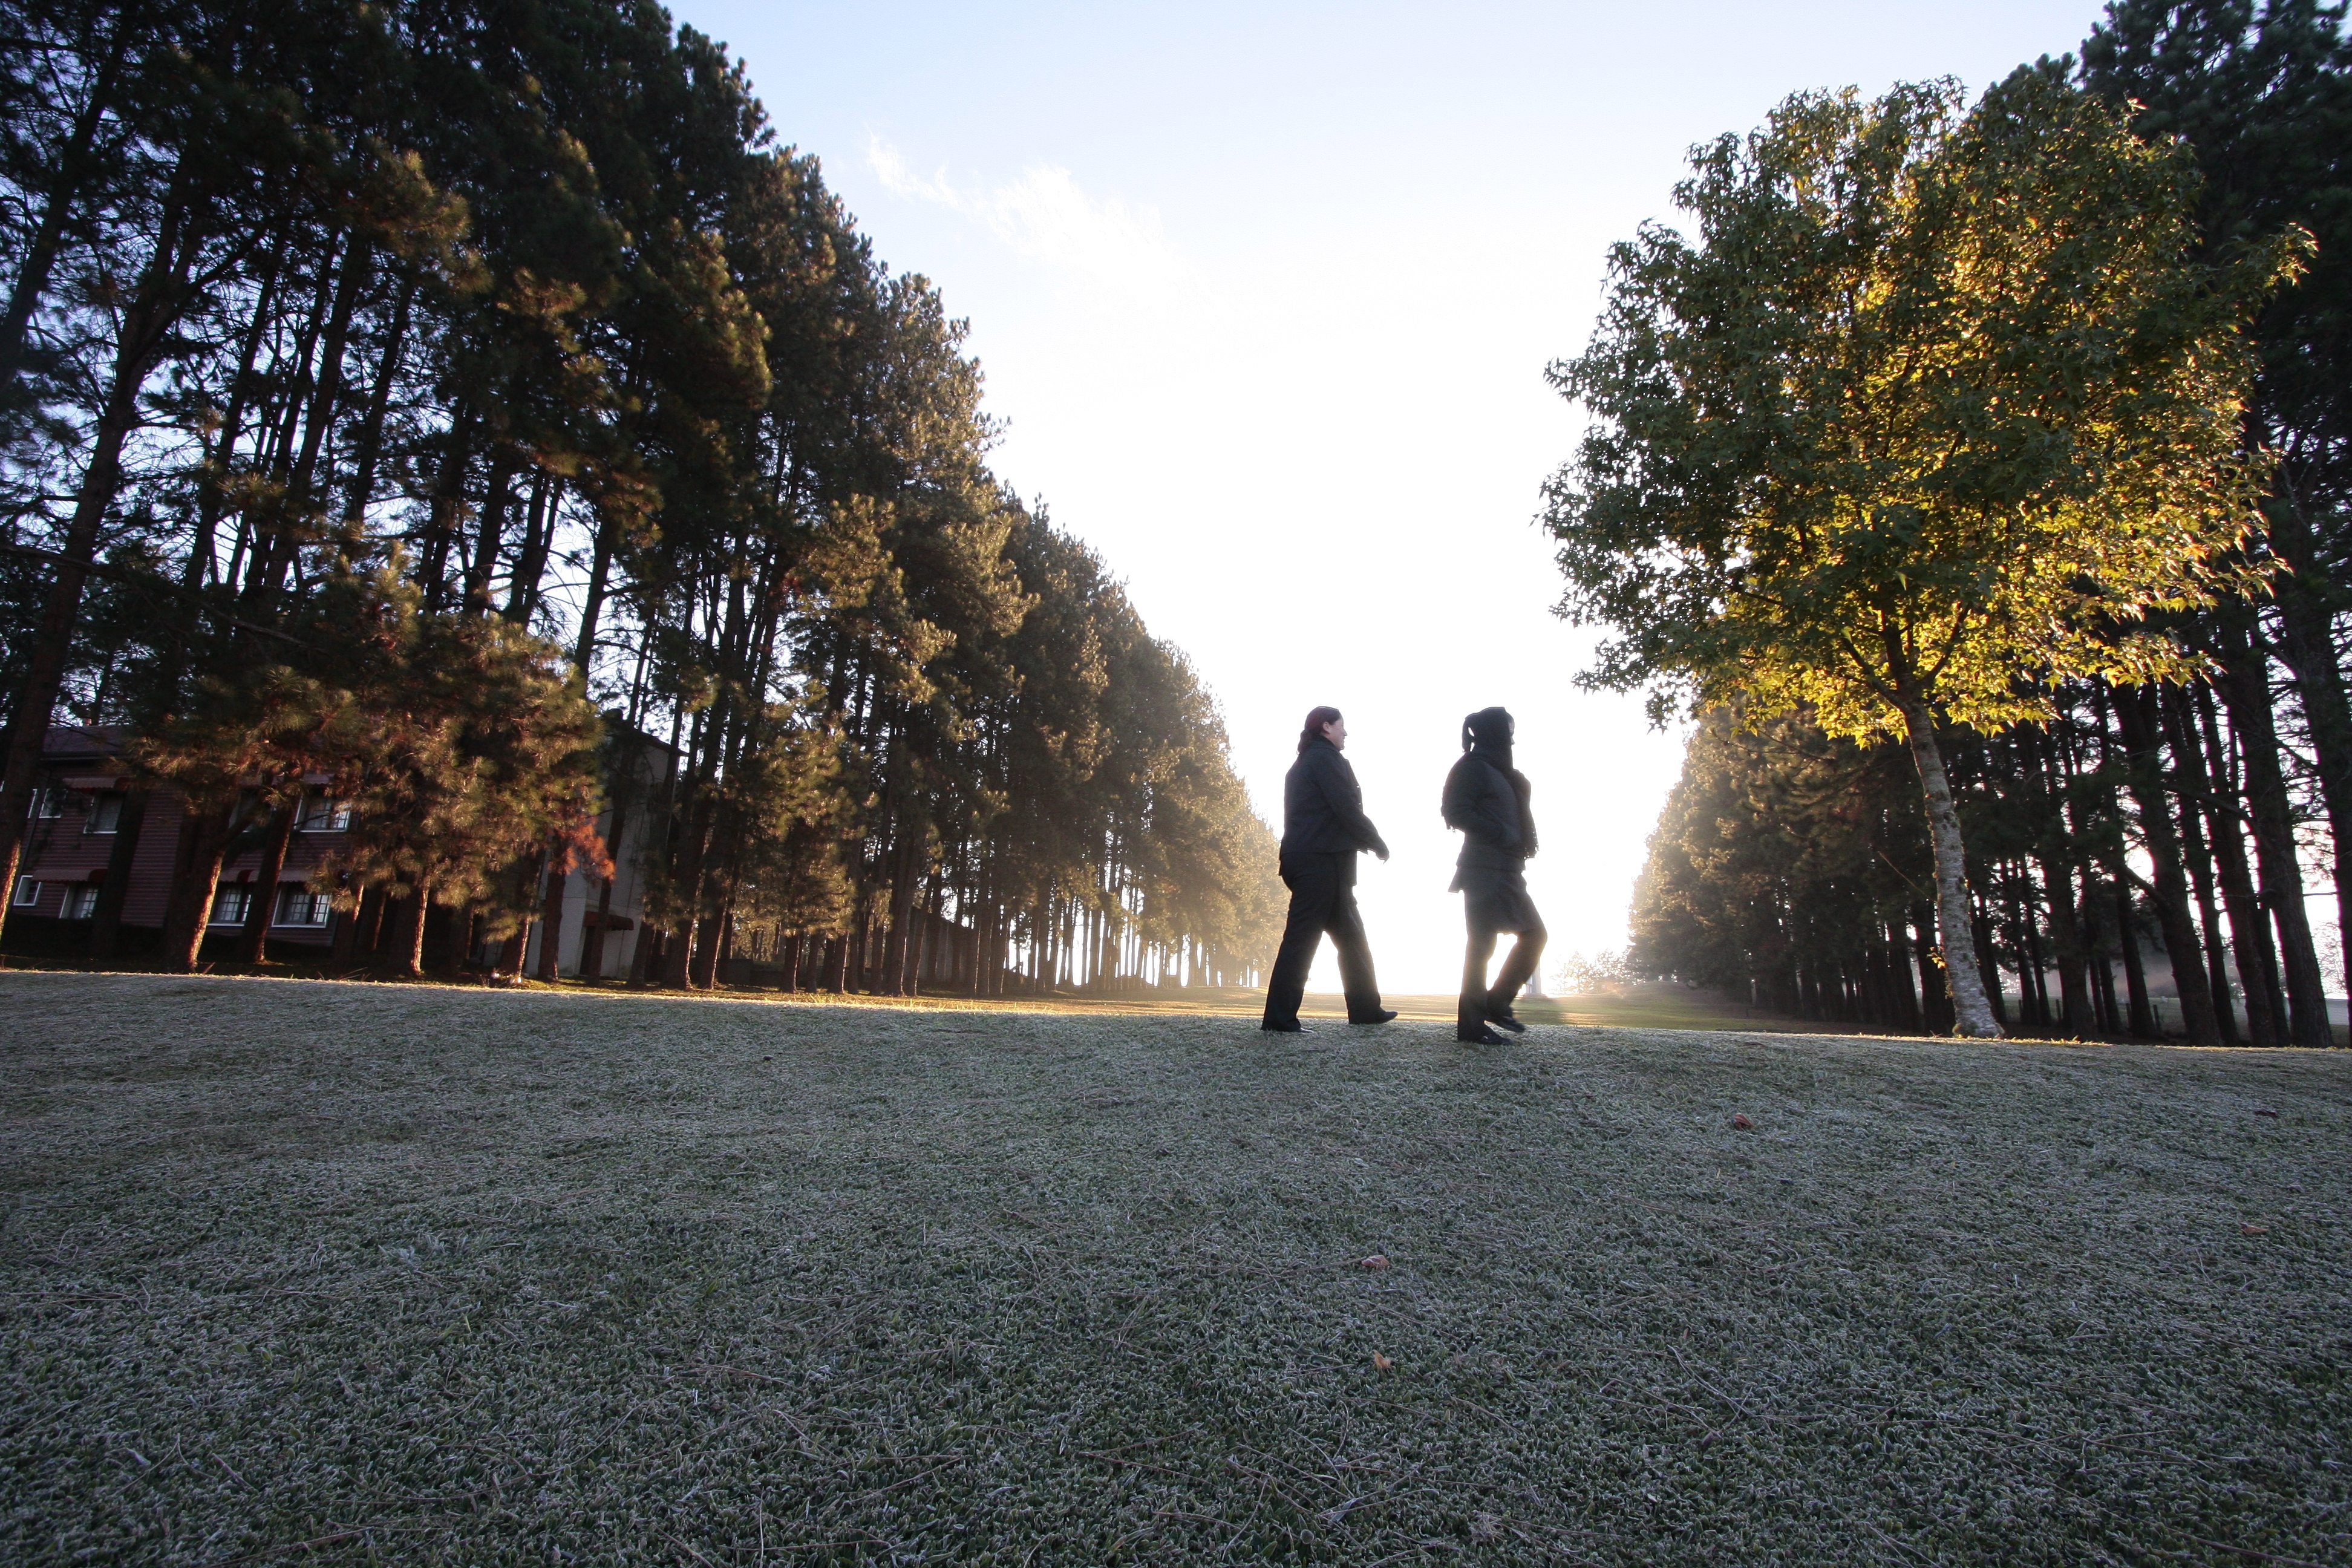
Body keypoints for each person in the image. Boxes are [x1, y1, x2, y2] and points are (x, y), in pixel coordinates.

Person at [1261, 705, 1396, 1033]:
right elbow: (1345, 807)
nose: (1346, 733)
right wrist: (1376, 842)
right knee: (1302, 939)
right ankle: (1279, 1019)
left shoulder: (1306, 762)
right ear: (1326, 727)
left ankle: (1366, 1008)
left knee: (1352, 938)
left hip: (1319, 860)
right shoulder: (1325, 760)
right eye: (1342, 726)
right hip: (1319, 862)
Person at [1442, 706, 1546, 1044]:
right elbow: (1454, 811)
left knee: (1532, 935)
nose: (1512, 738)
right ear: (1493, 734)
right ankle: (1476, 1023)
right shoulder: (1472, 767)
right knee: (1483, 946)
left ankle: (1495, 1004)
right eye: (1507, 731)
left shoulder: (1501, 771)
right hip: (1483, 869)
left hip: (1507, 869)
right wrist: (1501, 832)